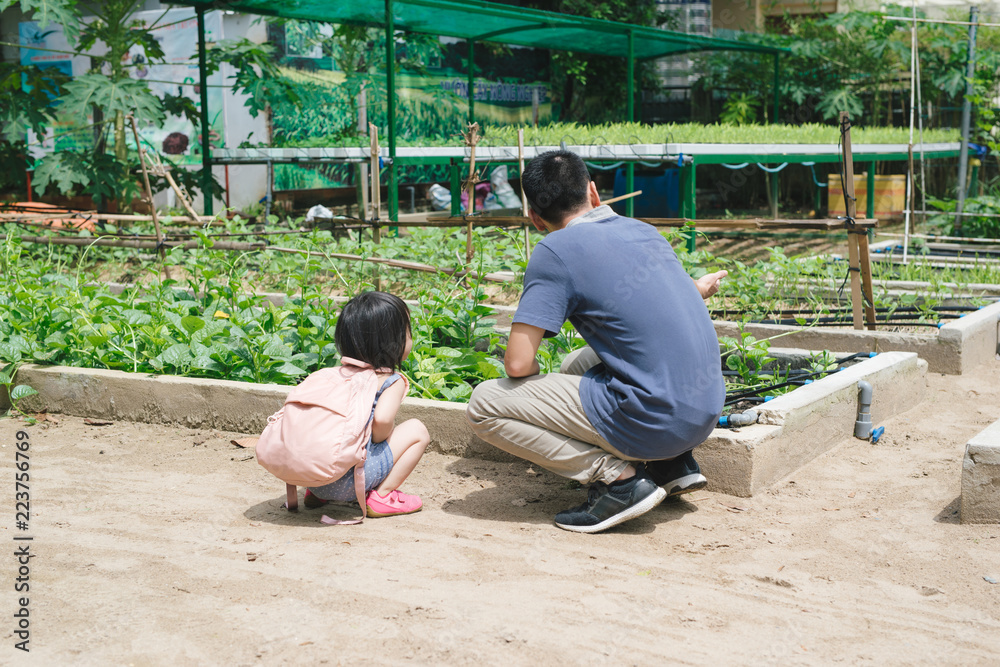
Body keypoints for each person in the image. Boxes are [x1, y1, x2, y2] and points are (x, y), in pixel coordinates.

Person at [466, 150, 727, 534]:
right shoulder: (643, 230)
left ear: (536, 217)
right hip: (703, 411)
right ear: (593, 190)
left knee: (485, 404)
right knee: (578, 364)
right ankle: (672, 465)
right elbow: (673, 298)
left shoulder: (554, 251)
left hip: (656, 421)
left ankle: (619, 482)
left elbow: (518, 364)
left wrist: (535, 389)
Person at [304, 291, 430, 517]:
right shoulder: (390, 381)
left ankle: (318, 495)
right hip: (349, 482)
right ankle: (382, 496)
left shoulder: (333, 375)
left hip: (311, 476)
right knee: (418, 431)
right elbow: (381, 422)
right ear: (395, 342)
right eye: (409, 332)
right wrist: (381, 438)